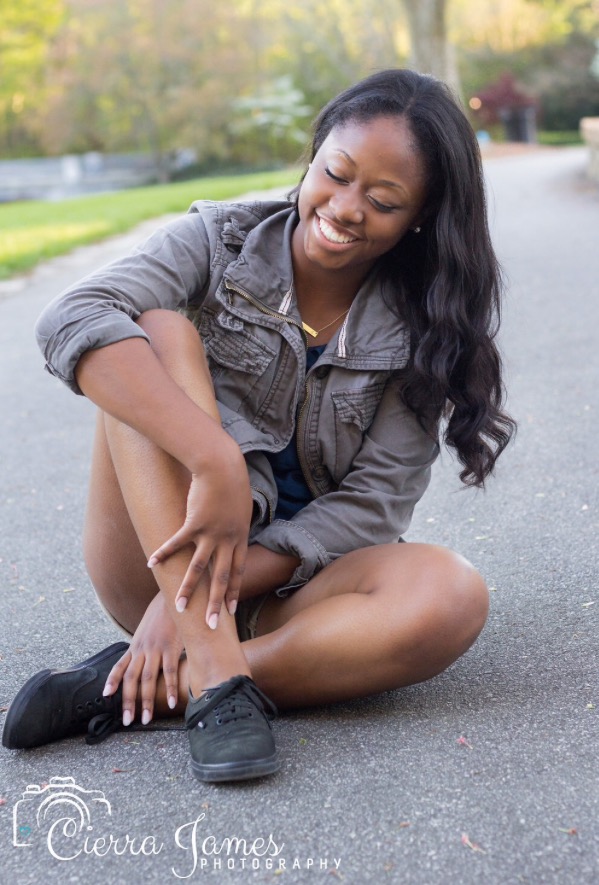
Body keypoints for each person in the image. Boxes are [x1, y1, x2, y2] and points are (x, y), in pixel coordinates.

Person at [2, 69, 515, 782]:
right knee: (152, 331)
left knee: (452, 593)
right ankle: (214, 676)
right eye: (335, 174)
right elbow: (71, 316)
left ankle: (144, 686)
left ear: (420, 217)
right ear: (313, 157)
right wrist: (212, 461)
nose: (344, 207)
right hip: (157, 559)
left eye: (384, 200)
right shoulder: (218, 240)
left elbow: (371, 507)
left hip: (291, 593)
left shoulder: (424, 327)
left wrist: (202, 598)